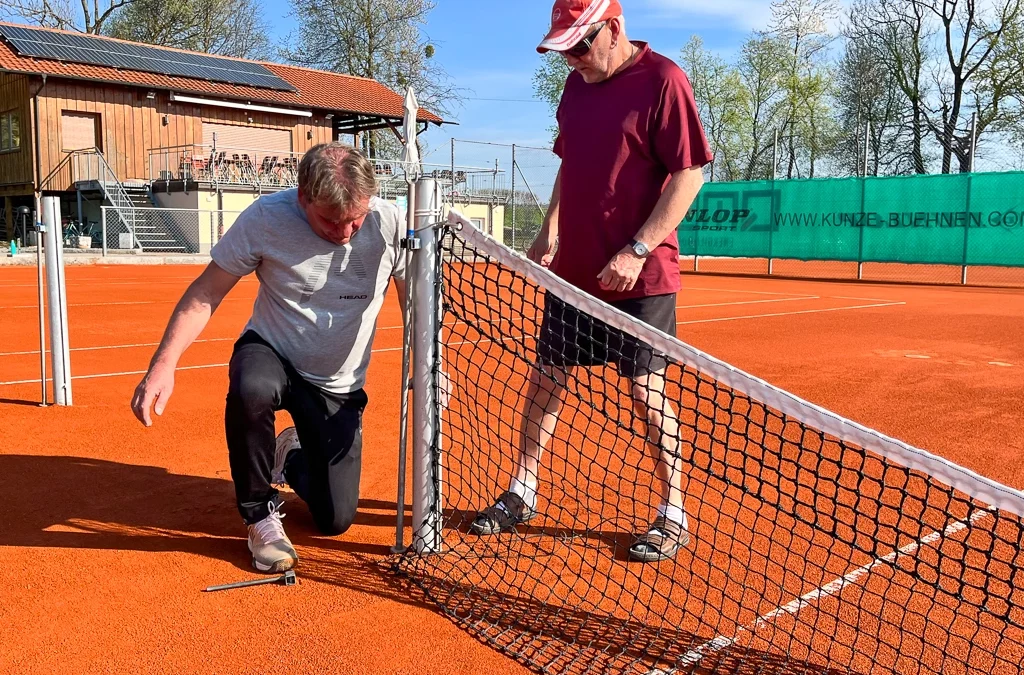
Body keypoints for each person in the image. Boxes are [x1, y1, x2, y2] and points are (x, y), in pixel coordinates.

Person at [471, 0, 712, 562]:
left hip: (641, 276)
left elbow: (690, 173)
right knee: (546, 380)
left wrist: (637, 248)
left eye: (581, 45)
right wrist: (549, 229)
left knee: (645, 392)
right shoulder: (576, 87)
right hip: (574, 274)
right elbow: (569, 162)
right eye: (564, 50)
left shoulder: (664, 81)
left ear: (614, 29)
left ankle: (673, 512)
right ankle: (522, 491)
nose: (573, 59)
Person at [131, 143, 406, 573]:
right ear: (303, 197)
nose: (346, 232)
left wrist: (429, 367)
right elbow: (206, 292)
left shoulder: (390, 223)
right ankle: (259, 515)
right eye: (330, 220)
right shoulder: (266, 218)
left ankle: (289, 455)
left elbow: (417, 302)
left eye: (355, 218)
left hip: (338, 382)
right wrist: (164, 364)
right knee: (251, 388)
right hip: (272, 350)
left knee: (335, 519)